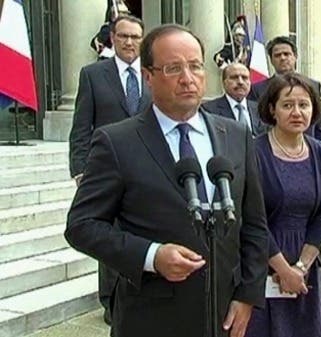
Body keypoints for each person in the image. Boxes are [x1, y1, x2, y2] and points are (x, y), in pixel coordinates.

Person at [64, 24, 268, 337]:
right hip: (151, 317)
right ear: (148, 76)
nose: (188, 78)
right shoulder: (117, 142)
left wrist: (248, 295)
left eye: (196, 66)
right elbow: (81, 225)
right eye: (173, 68)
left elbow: (254, 223)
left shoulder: (236, 135)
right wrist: (151, 256)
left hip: (225, 315)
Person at [68, 14, 150, 325]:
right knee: (108, 235)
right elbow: (81, 126)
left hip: (146, 170)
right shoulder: (93, 74)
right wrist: (79, 169)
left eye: (135, 37)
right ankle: (109, 300)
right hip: (105, 173)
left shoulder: (151, 75)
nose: (130, 42)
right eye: (124, 36)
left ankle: (136, 289)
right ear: (112, 39)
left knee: (138, 232)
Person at [244, 73, 321, 337]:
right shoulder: (253, 151)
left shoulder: (320, 152)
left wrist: (301, 267)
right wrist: (283, 269)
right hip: (263, 264)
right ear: (272, 109)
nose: (297, 112)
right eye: (287, 105)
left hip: (307, 267)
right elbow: (251, 218)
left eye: (304, 105)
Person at [248, 36, 321, 145]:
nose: (282, 58)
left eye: (287, 54)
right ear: (271, 60)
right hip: (272, 150)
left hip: (308, 150)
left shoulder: (313, 86)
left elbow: (320, 126)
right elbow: (256, 125)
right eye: (277, 55)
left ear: (295, 57)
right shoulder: (258, 89)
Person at [202, 63, 266, 137]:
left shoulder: (260, 109)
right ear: (224, 83)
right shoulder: (209, 110)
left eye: (244, 78)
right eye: (234, 77)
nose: (240, 82)